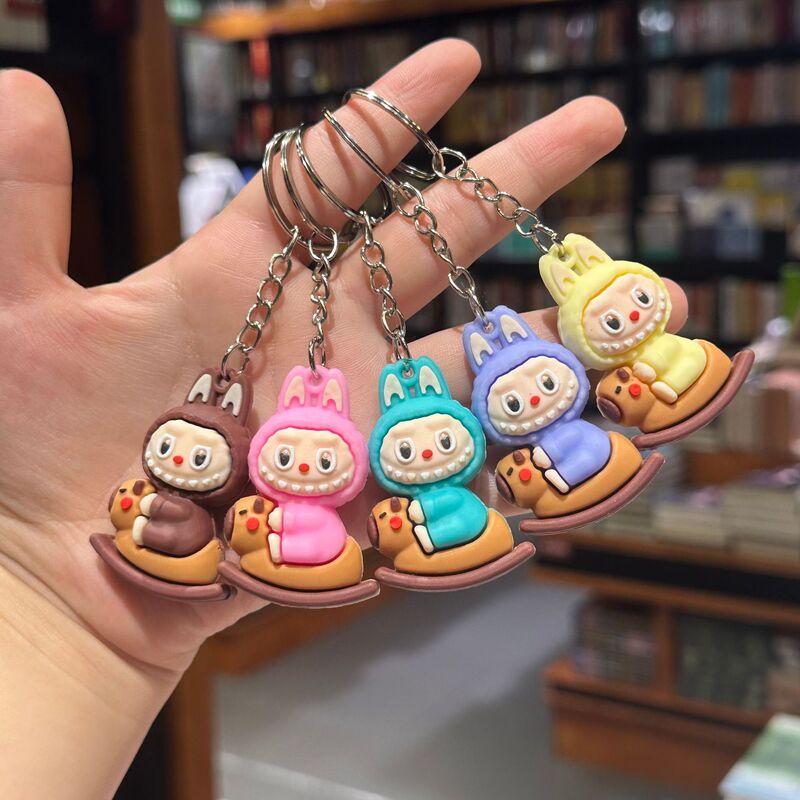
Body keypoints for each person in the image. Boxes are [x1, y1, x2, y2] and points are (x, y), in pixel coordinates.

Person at [0, 40, 686, 798]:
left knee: (514, 478)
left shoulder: (458, 444)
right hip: (250, 548)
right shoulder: (251, 467)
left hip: (506, 492)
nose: (300, 467)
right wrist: (32, 589)